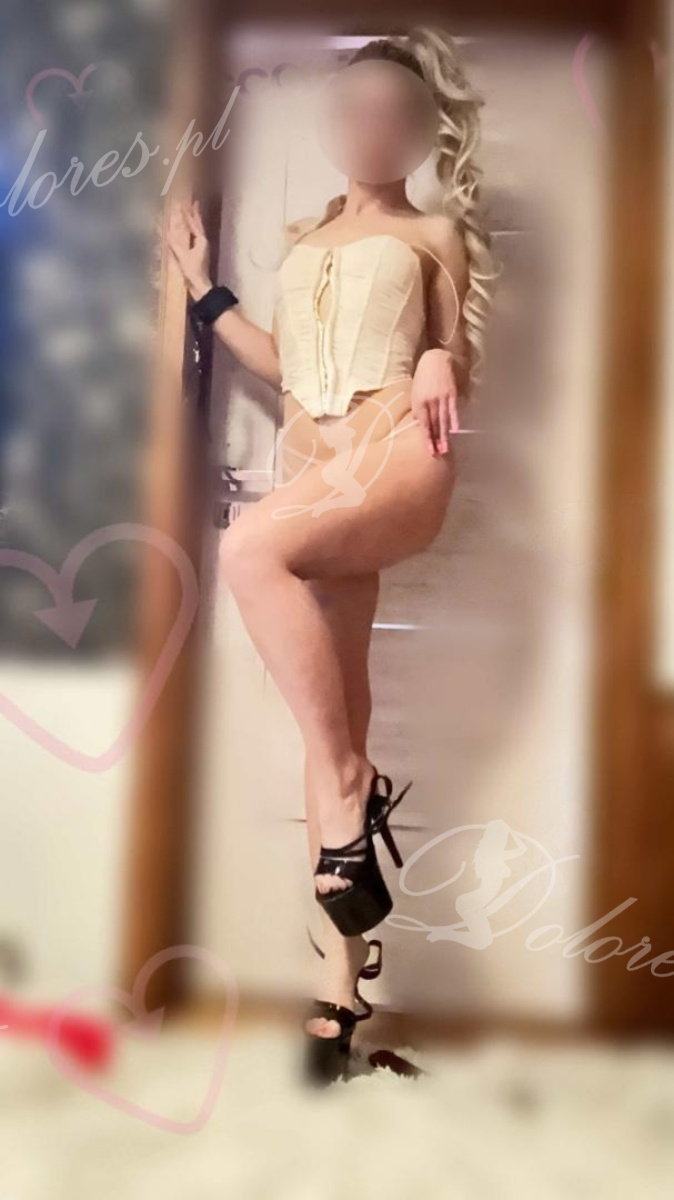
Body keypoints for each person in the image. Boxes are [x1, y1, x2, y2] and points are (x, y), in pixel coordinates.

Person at [168, 25, 498, 1084]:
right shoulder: (308, 238)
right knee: (333, 723)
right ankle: (340, 988)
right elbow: (281, 367)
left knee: (247, 554)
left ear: (419, 131)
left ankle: (357, 786)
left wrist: (442, 355)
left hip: (395, 452)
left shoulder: (433, 231)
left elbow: (452, 353)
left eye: (392, 112)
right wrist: (205, 290)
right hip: (317, 466)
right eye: (352, 108)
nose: (370, 126)